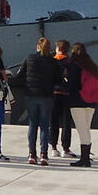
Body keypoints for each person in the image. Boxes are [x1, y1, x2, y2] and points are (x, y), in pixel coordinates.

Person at [23, 37, 61, 166]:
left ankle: (32, 154)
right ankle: (44, 154)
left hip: (31, 94)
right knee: (45, 126)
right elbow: (58, 80)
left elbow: (21, 74)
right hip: (47, 95)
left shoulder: (30, 58)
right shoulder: (53, 62)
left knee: (33, 124)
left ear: (38, 47)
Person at [65, 42, 98, 167]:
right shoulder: (92, 66)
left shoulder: (73, 65)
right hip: (91, 101)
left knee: (82, 130)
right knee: (86, 128)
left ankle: (84, 159)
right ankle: (86, 156)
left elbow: (71, 84)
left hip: (77, 101)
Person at [50, 39, 75, 158]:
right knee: (66, 122)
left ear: (58, 49)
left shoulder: (52, 61)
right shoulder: (71, 62)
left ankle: (53, 147)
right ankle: (66, 148)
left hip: (53, 93)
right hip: (66, 94)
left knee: (53, 121)